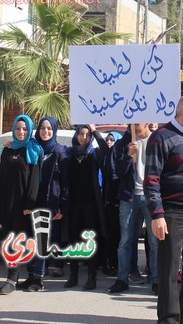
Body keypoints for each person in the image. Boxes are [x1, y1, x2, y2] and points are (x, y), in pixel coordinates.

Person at [144, 94, 183, 324]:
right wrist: (157, 215)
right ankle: (169, 318)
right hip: (172, 213)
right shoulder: (160, 138)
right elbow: (151, 179)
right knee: (169, 268)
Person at [16, 116, 70, 292]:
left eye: (49, 129)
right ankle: (31, 275)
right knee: (32, 239)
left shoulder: (60, 152)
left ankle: (38, 279)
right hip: (32, 201)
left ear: (54, 131)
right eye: (42, 128)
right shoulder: (33, 149)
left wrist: (62, 206)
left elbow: (66, 183)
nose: (45, 132)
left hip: (50, 202)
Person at [0, 114, 43, 295]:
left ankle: (12, 279)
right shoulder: (8, 150)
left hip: (23, 206)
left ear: (29, 131)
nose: (21, 132)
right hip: (7, 204)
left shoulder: (33, 150)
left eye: (24, 129)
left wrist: (30, 204)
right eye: (18, 128)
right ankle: (14, 277)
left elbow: (35, 180)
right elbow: (1, 177)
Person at [107, 123, 159, 294]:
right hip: (129, 197)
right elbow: (117, 173)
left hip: (151, 197)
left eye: (138, 123)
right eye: (132, 123)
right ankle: (122, 278)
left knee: (154, 240)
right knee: (126, 240)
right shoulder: (124, 144)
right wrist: (129, 156)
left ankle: (157, 279)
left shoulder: (157, 141)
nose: (134, 127)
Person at [65, 124, 108, 291]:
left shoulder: (94, 153)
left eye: (87, 135)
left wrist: (95, 130)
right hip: (74, 203)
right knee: (74, 239)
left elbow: (105, 148)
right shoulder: (69, 153)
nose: (84, 137)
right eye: (81, 134)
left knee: (90, 239)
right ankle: (73, 275)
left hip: (91, 204)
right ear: (76, 135)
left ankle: (91, 277)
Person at [102, 131, 123, 277]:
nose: (109, 142)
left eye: (112, 140)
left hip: (121, 200)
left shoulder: (120, 155)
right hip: (109, 202)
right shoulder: (104, 156)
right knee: (112, 234)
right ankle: (109, 263)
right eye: (107, 139)